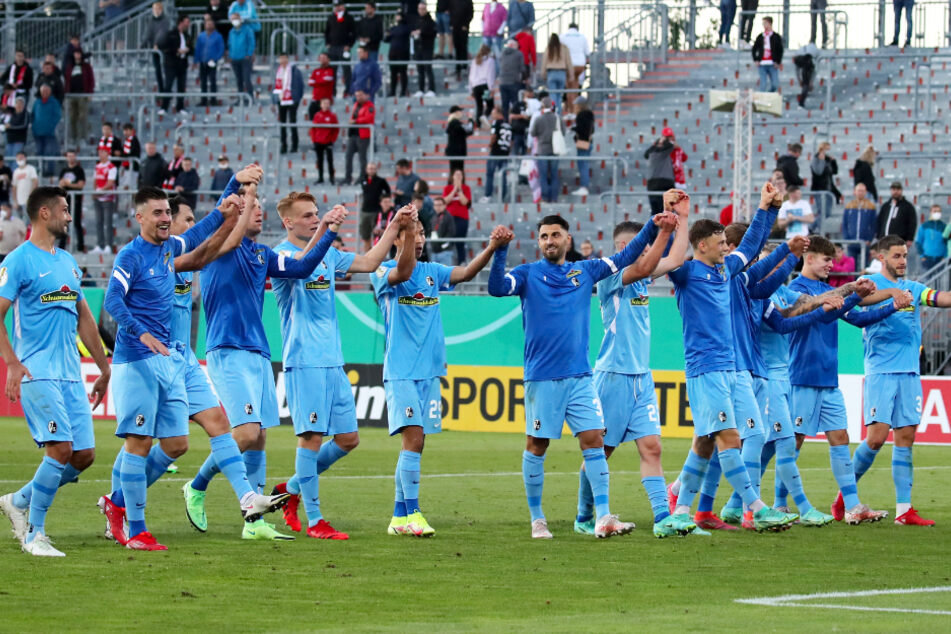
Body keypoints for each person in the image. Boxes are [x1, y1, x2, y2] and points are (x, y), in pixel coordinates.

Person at [102, 177, 290, 549]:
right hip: (142, 356)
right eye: (161, 213)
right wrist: (140, 332)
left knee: (185, 440)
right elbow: (112, 301)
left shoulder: (173, 253)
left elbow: (204, 239)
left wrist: (224, 208)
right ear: (139, 216)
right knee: (139, 441)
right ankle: (128, 518)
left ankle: (246, 497)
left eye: (173, 215)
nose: (170, 220)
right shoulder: (137, 256)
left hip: (178, 356)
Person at [489, 213, 674, 538]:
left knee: (595, 441)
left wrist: (653, 224)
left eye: (555, 235)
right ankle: (538, 519)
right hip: (542, 377)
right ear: (539, 241)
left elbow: (627, 257)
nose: (549, 241)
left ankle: (602, 517)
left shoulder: (585, 271)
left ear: (567, 240)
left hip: (580, 377)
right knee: (537, 444)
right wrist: (500, 251)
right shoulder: (528, 274)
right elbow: (496, 288)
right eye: (544, 236)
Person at [182, 178, 346, 541]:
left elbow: (302, 268)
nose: (259, 211)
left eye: (258, 207)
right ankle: (196, 485)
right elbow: (229, 209)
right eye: (252, 207)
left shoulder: (262, 254)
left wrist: (328, 231)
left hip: (258, 352)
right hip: (226, 349)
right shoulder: (221, 245)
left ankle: (253, 525)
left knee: (259, 440)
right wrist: (238, 183)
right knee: (245, 433)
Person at [269, 197, 411, 538]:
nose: (313, 219)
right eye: (307, 216)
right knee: (312, 438)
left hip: (333, 360)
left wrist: (395, 224)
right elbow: (304, 264)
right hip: (304, 360)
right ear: (288, 223)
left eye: (315, 214)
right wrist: (326, 230)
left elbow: (369, 260)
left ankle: (288, 489)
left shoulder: (328, 254)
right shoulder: (281, 256)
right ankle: (316, 521)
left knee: (348, 439)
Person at [665, 184, 802, 534]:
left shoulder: (727, 272)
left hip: (735, 368)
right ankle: (756, 508)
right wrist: (677, 217)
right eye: (721, 242)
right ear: (702, 246)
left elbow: (754, 242)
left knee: (712, 439)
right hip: (707, 368)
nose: (728, 247)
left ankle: (681, 510)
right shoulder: (685, 273)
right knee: (730, 439)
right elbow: (670, 254)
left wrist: (767, 208)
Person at [376, 215, 504, 537]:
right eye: (410, 235)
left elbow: (464, 273)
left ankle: (398, 517)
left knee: (414, 445)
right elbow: (402, 271)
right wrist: (404, 232)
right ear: (395, 239)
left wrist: (491, 247)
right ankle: (415, 513)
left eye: (420, 234)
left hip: (429, 371)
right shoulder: (382, 272)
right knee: (414, 439)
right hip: (401, 372)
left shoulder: (432, 272)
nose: (419, 240)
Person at [0, 187, 110, 557]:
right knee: (60, 448)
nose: (69, 216)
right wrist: (12, 362)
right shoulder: (18, 261)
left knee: (84, 455)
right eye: (64, 209)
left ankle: (17, 500)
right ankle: (35, 534)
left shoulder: (67, 262)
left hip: (69, 374)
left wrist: (103, 367)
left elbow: (85, 318)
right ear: (44, 213)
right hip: (37, 371)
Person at [578, 202, 691, 536]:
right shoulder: (613, 275)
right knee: (601, 451)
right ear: (627, 249)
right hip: (613, 375)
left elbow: (675, 260)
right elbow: (643, 268)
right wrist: (662, 231)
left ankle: (661, 518)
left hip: (641, 376)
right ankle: (585, 516)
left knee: (652, 447)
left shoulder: (642, 278)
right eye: (643, 245)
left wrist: (682, 220)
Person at [789, 236, 910, 526]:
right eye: (826, 259)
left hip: (828, 377)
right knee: (792, 443)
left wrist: (892, 306)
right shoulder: (796, 289)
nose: (832, 265)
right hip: (802, 375)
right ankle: (780, 504)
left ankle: (853, 506)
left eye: (833, 259)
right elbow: (825, 317)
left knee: (840, 438)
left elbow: (857, 319)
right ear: (809, 258)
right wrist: (855, 295)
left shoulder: (827, 289)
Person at [848, 235, 951, 525]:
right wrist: (892, 294)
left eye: (904, 255)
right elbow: (857, 302)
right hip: (881, 371)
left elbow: (941, 298)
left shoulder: (915, 288)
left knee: (906, 438)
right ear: (882, 257)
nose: (903, 260)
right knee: (877, 438)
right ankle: (845, 497)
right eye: (896, 255)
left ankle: (904, 510)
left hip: (909, 372)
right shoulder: (869, 284)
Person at [530, 98, 565, 203]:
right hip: (555, 149)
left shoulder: (539, 119)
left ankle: (545, 198)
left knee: (543, 175)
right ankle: (554, 197)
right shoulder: (557, 118)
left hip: (542, 149)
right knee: (554, 175)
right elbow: (563, 132)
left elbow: (533, 133)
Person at [160, 15, 193, 115]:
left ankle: (180, 107)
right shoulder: (170, 34)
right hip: (171, 64)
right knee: (168, 85)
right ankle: (164, 107)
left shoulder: (187, 36)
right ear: (181, 22)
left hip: (182, 64)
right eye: (187, 22)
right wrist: (177, 51)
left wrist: (187, 50)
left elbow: (191, 48)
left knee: (181, 86)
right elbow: (165, 47)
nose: (188, 24)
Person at [272, 53, 304, 155]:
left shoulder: (294, 71)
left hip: (292, 100)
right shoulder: (277, 71)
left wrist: (297, 99)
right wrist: (273, 101)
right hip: (281, 100)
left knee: (292, 122)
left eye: (284, 58)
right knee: (283, 123)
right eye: (281, 58)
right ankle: (283, 145)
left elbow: (300, 85)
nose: (283, 60)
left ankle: (294, 145)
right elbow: (274, 87)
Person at [325, 1, 357, 97]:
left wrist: (349, 45)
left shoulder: (349, 18)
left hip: (344, 47)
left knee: (346, 70)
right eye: (336, 6)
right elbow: (326, 31)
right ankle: (332, 91)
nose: (338, 8)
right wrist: (328, 43)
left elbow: (354, 33)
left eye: (339, 5)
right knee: (332, 70)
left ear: (343, 6)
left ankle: (348, 90)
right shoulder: (331, 17)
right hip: (333, 47)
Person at [343, 89, 375, 185]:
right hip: (353, 134)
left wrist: (356, 121)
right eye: (357, 95)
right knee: (348, 156)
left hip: (363, 135)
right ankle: (348, 177)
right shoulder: (356, 105)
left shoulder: (370, 106)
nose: (359, 97)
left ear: (366, 95)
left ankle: (362, 177)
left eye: (361, 95)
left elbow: (369, 118)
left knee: (362, 157)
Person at [842, 183, 879, 263]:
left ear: (865, 192)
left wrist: (869, 239)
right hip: (851, 242)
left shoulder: (870, 206)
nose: (860, 193)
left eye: (862, 191)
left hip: (865, 242)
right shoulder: (849, 206)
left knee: (864, 265)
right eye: (859, 191)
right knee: (852, 265)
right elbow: (844, 224)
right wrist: (847, 239)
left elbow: (873, 225)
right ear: (854, 192)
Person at [58, 150, 86, 252]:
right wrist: (64, 184)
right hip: (66, 201)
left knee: (77, 223)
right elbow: (60, 184)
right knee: (64, 223)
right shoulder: (64, 170)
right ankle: (62, 246)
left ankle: (80, 246)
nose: (71, 158)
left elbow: (80, 185)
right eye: (69, 156)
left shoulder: (79, 170)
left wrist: (68, 184)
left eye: (72, 156)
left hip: (76, 200)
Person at [359, 162, 391, 251]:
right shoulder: (363, 179)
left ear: (376, 170)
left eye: (373, 168)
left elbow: (388, 192)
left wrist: (383, 203)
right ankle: (367, 257)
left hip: (376, 211)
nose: (371, 170)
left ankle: (375, 257)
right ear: (366, 169)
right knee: (365, 236)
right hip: (365, 210)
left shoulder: (381, 181)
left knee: (377, 235)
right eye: (369, 168)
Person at [31, 85, 62, 178]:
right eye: (43, 91)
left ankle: (50, 171)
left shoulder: (54, 102)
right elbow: (33, 115)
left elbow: (57, 115)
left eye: (46, 91)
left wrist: (51, 125)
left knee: (49, 152)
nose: (44, 93)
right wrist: (34, 126)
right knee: (39, 151)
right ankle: (40, 170)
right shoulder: (37, 102)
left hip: (49, 133)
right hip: (37, 132)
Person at [63, 50, 94, 143]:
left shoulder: (86, 67)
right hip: (71, 95)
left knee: (82, 116)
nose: (77, 56)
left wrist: (90, 93)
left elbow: (91, 80)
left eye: (78, 54)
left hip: (82, 94)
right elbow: (66, 80)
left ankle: (83, 137)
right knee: (72, 117)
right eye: (75, 53)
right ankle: (73, 137)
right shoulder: (70, 66)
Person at [643, 129, 675, 214]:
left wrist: (658, 142)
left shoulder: (651, 153)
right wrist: (663, 140)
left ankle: (657, 226)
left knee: (656, 213)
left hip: (652, 184)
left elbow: (646, 153)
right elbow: (670, 146)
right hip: (664, 183)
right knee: (666, 212)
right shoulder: (663, 152)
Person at [196, 14, 225, 106]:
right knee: (203, 81)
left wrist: (215, 58)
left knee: (213, 81)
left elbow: (221, 49)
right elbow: (198, 48)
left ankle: (213, 99)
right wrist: (196, 60)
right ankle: (203, 100)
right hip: (203, 61)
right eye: (207, 24)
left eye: (210, 24)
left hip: (213, 61)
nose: (209, 26)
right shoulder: (201, 36)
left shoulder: (218, 36)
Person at [92, 148, 118, 254]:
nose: (101, 154)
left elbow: (111, 183)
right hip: (98, 197)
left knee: (108, 222)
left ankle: (108, 245)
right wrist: (95, 192)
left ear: (108, 154)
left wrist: (100, 191)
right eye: (100, 152)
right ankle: (100, 244)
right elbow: (95, 180)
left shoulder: (111, 167)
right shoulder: (97, 166)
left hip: (108, 198)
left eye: (103, 152)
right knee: (99, 222)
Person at [443, 168, 471, 263]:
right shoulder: (447, 188)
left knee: (460, 243)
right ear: (452, 177)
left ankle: (461, 263)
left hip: (462, 219)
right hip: (449, 219)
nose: (459, 176)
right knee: (449, 242)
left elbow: (464, 202)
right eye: (457, 174)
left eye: (460, 175)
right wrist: (454, 189)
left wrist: (459, 190)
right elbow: (445, 201)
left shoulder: (466, 188)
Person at [483, 106, 511, 201]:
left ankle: (488, 195)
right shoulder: (508, 125)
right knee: (503, 175)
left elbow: (494, 136)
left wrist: (490, 145)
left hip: (495, 152)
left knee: (490, 174)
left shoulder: (496, 122)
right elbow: (512, 141)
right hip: (504, 152)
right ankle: (503, 196)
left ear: (499, 113)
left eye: (493, 112)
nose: (492, 115)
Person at [540, 35, 573, 114]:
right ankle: (558, 113)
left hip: (551, 73)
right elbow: (568, 62)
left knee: (553, 94)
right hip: (562, 73)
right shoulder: (564, 48)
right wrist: (571, 74)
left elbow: (544, 62)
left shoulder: (549, 48)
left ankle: (553, 111)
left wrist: (543, 74)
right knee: (559, 95)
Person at [310, 98, 339, 185]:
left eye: (327, 103)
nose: (326, 105)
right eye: (324, 103)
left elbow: (336, 129)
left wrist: (332, 140)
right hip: (318, 141)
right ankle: (320, 178)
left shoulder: (332, 116)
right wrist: (314, 140)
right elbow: (313, 129)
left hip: (328, 141)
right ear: (321, 105)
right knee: (320, 160)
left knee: (330, 160)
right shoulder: (317, 115)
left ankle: (331, 178)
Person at [561, 23, 589, 110]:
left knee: (569, 87)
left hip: (568, 65)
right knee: (575, 87)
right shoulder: (582, 37)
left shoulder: (562, 37)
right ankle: (574, 108)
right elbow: (587, 52)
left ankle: (570, 108)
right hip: (580, 64)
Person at [411, 2, 437, 97]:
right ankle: (420, 89)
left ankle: (431, 89)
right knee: (420, 70)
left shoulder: (430, 21)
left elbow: (433, 32)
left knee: (428, 69)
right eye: (420, 9)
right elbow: (412, 31)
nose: (421, 11)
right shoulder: (416, 20)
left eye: (423, 9)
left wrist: (421, 32)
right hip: (418, 48)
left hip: (427, 48)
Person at [227, 13, 255, 99]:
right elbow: (230, 44)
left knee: (246, 79)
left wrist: (249, 54)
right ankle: (240, 99)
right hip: (234, 59)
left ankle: (250, 98)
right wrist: (230, 56)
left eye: (236, 18)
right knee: (239, 80)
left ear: (240, 19)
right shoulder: (231, 32)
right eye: (233, 19)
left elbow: (251, 43)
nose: (234, 21)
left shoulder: (247, 30)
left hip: (245, 59)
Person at [809, 141, 839, 222]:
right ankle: (812, 228)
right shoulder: (816, 159)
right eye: (827, 149)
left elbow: (835, 172)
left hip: (828, 189)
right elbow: (818, 172)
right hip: (819, 189)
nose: (828, 151)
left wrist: (833, 161)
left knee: (827, 213)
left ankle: (815, 228)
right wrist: (821, 160)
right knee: (822, 213)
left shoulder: (828, 160)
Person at [385, 13, 413, 97]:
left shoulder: (406, 27)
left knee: (403, 73)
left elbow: (401, 32)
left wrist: (391, 32)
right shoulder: (393, 28)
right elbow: (386, 39)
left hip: (403, 53)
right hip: (393, 53)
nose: (396, 17)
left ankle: (403, 91)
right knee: (393, 73)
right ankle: (393, 91)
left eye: (398, 16)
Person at [752, 17, 783, 93]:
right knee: (763, 85)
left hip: (772, 63)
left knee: (775, 84)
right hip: (762, 64)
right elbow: (754, 49)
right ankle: (763, 98)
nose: (764, 25)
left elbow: (780, 50)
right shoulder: (760, 36)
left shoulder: (776, 36)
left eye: (765, 23)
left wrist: (778, 62)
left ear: (770, 23)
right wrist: (756, 60)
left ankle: (769, 95)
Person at [468, 45, 496, 127]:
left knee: (479, 105)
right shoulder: (490, 60)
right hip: (485, 86)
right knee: (490, 105)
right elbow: (490, 75)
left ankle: (478, 123)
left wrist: (471, 89)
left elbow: (471, 76)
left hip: (475, 86)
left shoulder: (474, 61)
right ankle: (484, 115)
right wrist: (491, 88)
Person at [146, 2, 169, 95]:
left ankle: (166, 90)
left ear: (161, 9)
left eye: (157, 9)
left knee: (165, 70)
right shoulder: (151, 20)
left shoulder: (165, 20)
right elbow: (148, 33)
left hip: (164, 48)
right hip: (155, 50)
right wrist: (142, 44)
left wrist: (156, 43)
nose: (155, 11)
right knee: (157, 70)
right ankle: (161, 90)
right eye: (154, 9)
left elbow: (162, 33)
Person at [498, 39, 525, 119]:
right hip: (514, 81)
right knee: (515, 103)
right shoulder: (519, 54)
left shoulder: (502, 54)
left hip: (502, 82)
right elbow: (522, 69)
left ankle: (505, 121)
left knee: (505, 104)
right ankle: (514, 120)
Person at [914, 205, 946, 271]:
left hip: (940, 259)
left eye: (939, 211)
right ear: (930, 212)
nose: (937, 213)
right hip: (927, 258)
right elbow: (918, 242)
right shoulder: (924, 226)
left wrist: (945, 256)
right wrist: (922, 256)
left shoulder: (944, 226)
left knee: (941, 280)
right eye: (935, 211)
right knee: (927, 279)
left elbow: (947, 242)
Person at [445, 105, 474, 175]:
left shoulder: (452, 123)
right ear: (456, 113)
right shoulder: (455, 123)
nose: (461, 113)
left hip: (454, 152)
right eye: (460, 111)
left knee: (454, 172)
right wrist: (470, 119)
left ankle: (454, 185)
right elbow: (469, 130)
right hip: (457, 152)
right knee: (457, 173)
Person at [449, 0, 474, 80]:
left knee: (463, 47)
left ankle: (464, 67)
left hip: (463, 28)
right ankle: (458, 67)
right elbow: (451, 12)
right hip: (455, 27)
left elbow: (470, 14)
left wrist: (465, 24)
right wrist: (451, 24)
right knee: (457, 48)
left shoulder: (468, 1)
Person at [307, 52, 335, 122]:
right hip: (315, 99)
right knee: (313, 120)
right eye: (320, 58)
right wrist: (320, 81)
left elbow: (326, 80)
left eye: (324, 58)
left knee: (325, 121)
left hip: (325, 101)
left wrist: (316, 81)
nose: (322, 60)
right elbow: (310, 83)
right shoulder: (316, 70)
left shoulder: (331, 70)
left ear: (328, 59)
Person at [429, 195, 455, 265]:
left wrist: (442, 244)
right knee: (434, 275)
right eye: (436, 205)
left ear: (444, 205)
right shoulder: (434, 217)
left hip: (445, 251)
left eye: (439, 205)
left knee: (445, 274)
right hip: (434, 251)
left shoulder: (448, 217)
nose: (437, 207)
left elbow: (451, 233)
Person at [11, 152, 38, 218]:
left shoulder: (31, 169)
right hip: (19, 202)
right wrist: (15, 201)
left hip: (28, 201)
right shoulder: (16, 171)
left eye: (21, 157)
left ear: (25, 158)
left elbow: (35, 182)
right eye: (18, 157)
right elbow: (14, 187)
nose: (20, 159)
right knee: (19, 222)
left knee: (27, 222)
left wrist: (30, 196)